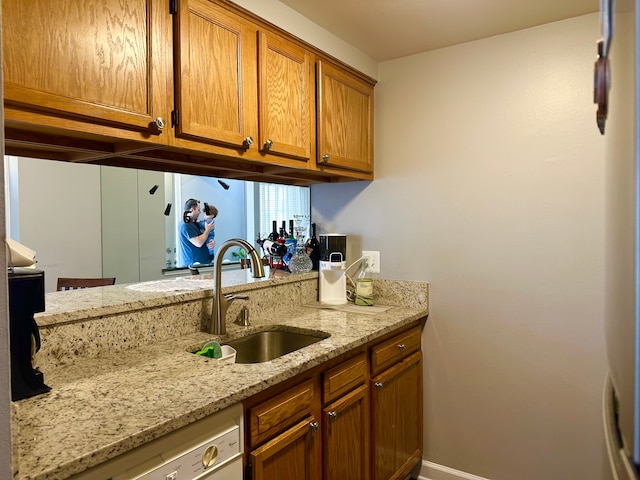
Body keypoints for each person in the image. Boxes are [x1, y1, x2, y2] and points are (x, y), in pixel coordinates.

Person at [178, 199, 215, 267]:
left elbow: (203, 237)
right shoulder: (186, 224)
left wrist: (211, 242)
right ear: (192, 210)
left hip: (203, 262)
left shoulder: (195, 223)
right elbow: (198, 243)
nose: (200, 212)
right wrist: (208, 230)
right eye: (198, 210)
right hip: (194, 264)